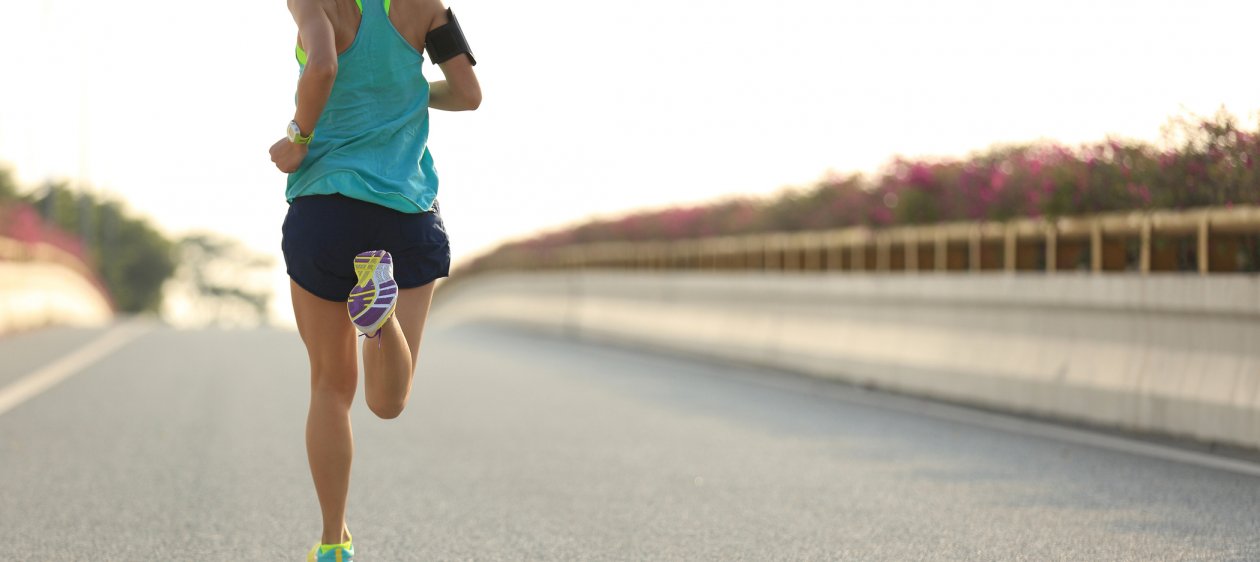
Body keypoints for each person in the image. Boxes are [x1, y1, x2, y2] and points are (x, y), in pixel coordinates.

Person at [268, 0, 480, 559]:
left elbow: (322, 68)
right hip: (405, 214)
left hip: (326, 211)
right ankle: (380, 317)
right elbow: (468, 93)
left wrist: (297, 138)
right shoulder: (426, 7)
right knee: (388, 401)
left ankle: (333, 540)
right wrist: (409, 92)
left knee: (330, 389)